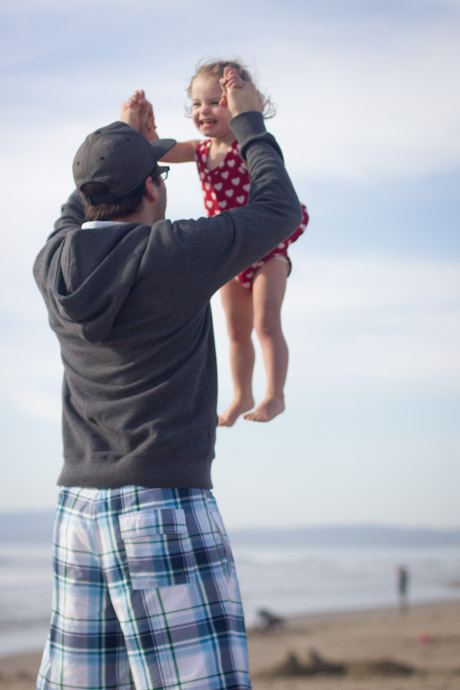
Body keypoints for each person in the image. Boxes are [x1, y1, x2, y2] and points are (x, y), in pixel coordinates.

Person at [33, 67, 302, 690]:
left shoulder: (53, 261)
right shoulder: (174, 254)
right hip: (163, 504)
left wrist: (126, 146)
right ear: (154, 189)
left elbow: (82, 204)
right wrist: (250, 122)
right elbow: (278, 209)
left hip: (77, 511)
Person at [126, 59, 308, 426]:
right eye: (196, 104)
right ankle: (242, 394)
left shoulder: (247, 143)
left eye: (215, 101)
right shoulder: (198, 150)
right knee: (236, 330)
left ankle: (275, 394)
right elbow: (153, 150)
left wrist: (246, 103)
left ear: (238, 103)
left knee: (266, 321)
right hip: (230, 250)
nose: (203, 110)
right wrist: (143, 122)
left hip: (267, 248)